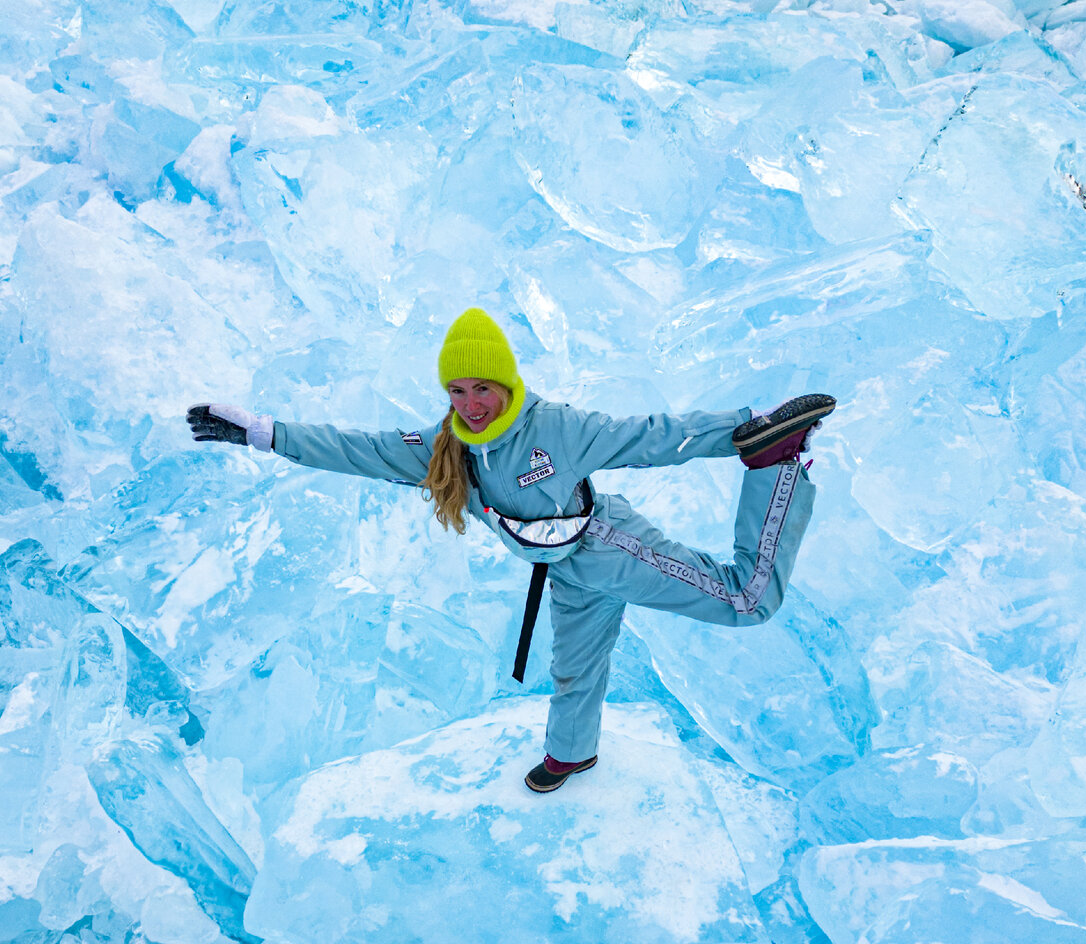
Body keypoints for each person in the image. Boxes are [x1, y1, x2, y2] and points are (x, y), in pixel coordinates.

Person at [188, 308, 834, 793]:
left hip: (610, 547)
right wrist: (265, 435)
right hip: (567, 573)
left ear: (507, 383)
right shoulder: (447, 448)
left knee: (746, 600)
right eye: (456, 391)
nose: (470, 405)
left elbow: (649, 437)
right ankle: (572, 753)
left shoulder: (554, 427)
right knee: (577, 670)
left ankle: (776, 465)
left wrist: (743, 434)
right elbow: (359, 449)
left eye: (481, 389)